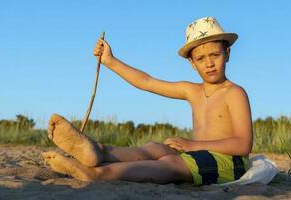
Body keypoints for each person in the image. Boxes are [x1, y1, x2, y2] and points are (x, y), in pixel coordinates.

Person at [42, 16, 253, 185]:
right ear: (192, 63)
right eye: (201, 58)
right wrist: (110, 61)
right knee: (155, 148)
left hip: (229, 164)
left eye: (214, 55)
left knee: (169, 162)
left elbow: (243, 144)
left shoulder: (234, 93)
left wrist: (192, 144)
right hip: (197, 156)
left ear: (227, 54)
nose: (209, 64)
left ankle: (98, 173)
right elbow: (147, 81)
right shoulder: (192, 91)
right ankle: (97, 152)